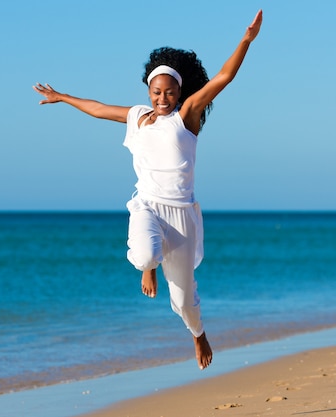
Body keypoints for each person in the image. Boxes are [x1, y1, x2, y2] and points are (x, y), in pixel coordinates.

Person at [33, 10, 263, 370]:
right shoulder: (138, 116)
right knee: (143, 255)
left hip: (182, 214)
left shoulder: (186, 115)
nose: (162, 98)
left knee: (185, 299)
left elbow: (224, 77)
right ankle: (150, 264)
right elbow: (97, 109)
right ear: (148, 90)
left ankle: (198, 334)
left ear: (179, 92)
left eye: (169, 92)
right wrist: (62, 97)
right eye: (157, 92)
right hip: (148, 207)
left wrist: (246, 41)